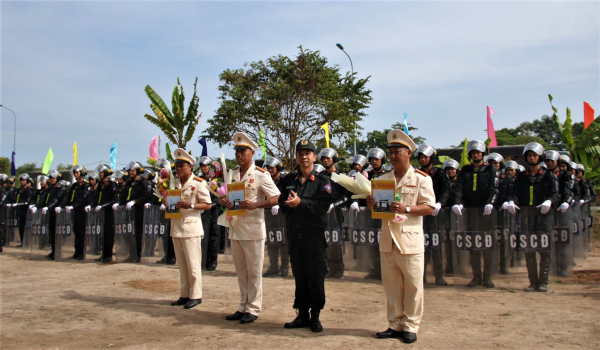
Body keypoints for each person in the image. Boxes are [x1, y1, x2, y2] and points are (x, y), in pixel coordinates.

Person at [368, 129, 435, 344]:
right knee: (392, 285)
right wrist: (372, 204)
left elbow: (429, 208)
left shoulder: (421, 179)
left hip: (409, 238)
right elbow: (380, 211)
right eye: (392, 152)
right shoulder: (383, 179)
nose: (394, 155)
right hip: (388, 239)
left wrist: (407, 209)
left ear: (409, 154)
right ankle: (394, 324)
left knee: (414, 285)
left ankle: (411, 325)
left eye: (398, 151)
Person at [219, 132, 280, 325]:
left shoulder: (261, 175)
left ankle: (253, 308)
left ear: (252, 152)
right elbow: (225, 195)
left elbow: (277, 197)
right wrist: (223, 200)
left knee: (254, 271)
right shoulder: (232, 173)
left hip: (253, 229)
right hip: (235, 227)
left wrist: (257, 205)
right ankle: (243, 305)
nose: (239, 154)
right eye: (237, 150)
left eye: (243, 150)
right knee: (241, 271)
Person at [279, 139, 333, 332]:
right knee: (300, 276)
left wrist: (301, 203)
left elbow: (322, 207)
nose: (304, 157)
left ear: (314, 157)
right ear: (296, 157)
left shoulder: (323, 182)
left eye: (308, 153)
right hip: (295, 236)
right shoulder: (287, 181)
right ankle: (302, 314)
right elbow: (280, 202)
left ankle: (315, 315)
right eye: (300, 153)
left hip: (314, 238)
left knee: (316, 276)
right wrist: (288, 204)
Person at [506, 143, 559, 292]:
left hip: (544, 218)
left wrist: (549, 201)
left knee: (544, 251)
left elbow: (555, 194)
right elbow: (514, 192)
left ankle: (543, 282)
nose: (532, 158)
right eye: (529, 155)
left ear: (539, 157)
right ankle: (532, 282)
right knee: (529, 252)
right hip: (526, 217)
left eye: (534, 155)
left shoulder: (549, 175)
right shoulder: (522, 176)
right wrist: (512, 201)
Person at [165, 148, 212, 310]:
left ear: (190, 166)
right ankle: (184, 294)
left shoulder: (198, 183)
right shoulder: (174, 183)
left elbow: (208, 204)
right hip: (176, 226)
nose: (179, 169)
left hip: (191, 228)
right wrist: (166, 202)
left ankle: (196, 295)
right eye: (177, 166)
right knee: (182, 265)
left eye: (182, 166)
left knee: (193, 264)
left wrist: (190, 205)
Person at [452, 140, 498, 288]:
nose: (476, 155)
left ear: (482, 154)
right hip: (470, 212)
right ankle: (476, 276)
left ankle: (488, 277)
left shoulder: (490, 169)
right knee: (473, 245)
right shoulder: (465, 170)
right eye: (473, 153)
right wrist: (457, 202)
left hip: (486, 212)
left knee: (487, 245)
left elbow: (494, 188)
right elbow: (458, 187)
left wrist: (490, 202)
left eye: (478, 152)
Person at [416, 144, 450, 286]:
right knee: (421, 246)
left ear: (432, 158)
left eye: (426, 157)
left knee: (436, 246)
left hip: (436, 213)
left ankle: (439, 276)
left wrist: (440, 203)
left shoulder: (440, 173)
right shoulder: (416, 174)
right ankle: (421, 277)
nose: (423, 160)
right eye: (421, 157)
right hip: (420, 213)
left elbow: (446, 190)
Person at [319, 148, 351, 279]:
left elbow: (347, 195)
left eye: (328, 158)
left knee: (336, 243)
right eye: (324, 158)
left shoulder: (341, 176)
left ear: (334, 159)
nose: (326, 160)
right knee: (325, 242)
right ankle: (328, 268)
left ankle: (338, 269)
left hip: (336, 213)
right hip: (323, 213)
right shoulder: (320, 176)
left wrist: (335, 204)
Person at [115, 162, 150, 262]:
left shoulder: (143, 182)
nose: (131, 172)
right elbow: (123, 195)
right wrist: (119, 203)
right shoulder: (128, 183)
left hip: (138, 211)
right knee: (129, 233)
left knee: (138, 233)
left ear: (138, 171)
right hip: (128, 212)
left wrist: (135, 201)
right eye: (130, 170)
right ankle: (131, 253)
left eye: (133, 170)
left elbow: (146, 196)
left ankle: (138, 254)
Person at [263, 156, 290, 278]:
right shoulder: (266, 180)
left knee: (283, 240)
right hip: (268, 213)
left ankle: (284, 266)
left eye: (272, 168)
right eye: (267, 168)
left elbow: (288, 195)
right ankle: (273, 266)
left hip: (281, 213)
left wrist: (280, 204)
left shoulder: (284, 180)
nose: (269, 170)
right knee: (271, 240)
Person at [194, 156, 221, 271]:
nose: (203, 168)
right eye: (202, 166)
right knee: (201, 237)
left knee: (213, 237)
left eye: (205, 166)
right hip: (201, 212)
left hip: (213, 212)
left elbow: (220, 196)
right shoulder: (199, 180)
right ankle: (202, 260)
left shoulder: (216, 180)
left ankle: (213, 261)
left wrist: (213, 204)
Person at [63, 165, 90, 260]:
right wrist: (66, 205)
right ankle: (77, 251)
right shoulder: (74, 186)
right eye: (74, 173)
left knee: (82, 233)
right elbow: (69, 197)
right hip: (75, 211)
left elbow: (82, 198)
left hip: (82, 211)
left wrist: (73, 205)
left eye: (77, 172)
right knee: (76, 232)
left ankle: (82, 252)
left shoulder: (86, 185)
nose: (75, 174)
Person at [40, 170, 67, 260]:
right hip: (51, 212)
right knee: (52, 233)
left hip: (58, 214)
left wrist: (48, 207)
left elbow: (56, 199)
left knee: (57, 234)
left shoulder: (61, 188)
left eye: (53, 178)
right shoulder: (51, 189)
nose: (51, 180)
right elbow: (46, 199)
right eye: (50, 178)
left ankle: (57, 252)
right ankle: (53, 251)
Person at [93, 164, 118, 263]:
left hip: (109, 213)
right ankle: (103, 254)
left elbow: (114, 199)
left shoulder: (112, 185)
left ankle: (108, 255)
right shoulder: (100, 185)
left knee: (109, 235)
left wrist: (103, 205)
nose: (100, 174)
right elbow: (97, 197)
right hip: (101, 212)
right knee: (102, 235)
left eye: (101, 173)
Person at [442, 159, 460, 274]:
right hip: (446, 215)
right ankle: (449, 264)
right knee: (448, 241)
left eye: (452, 169)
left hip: (458, 215)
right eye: (448, 169)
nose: (450, 171)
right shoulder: (444, 182)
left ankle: (459, 264)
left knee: (458, 240)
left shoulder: (460, 182)